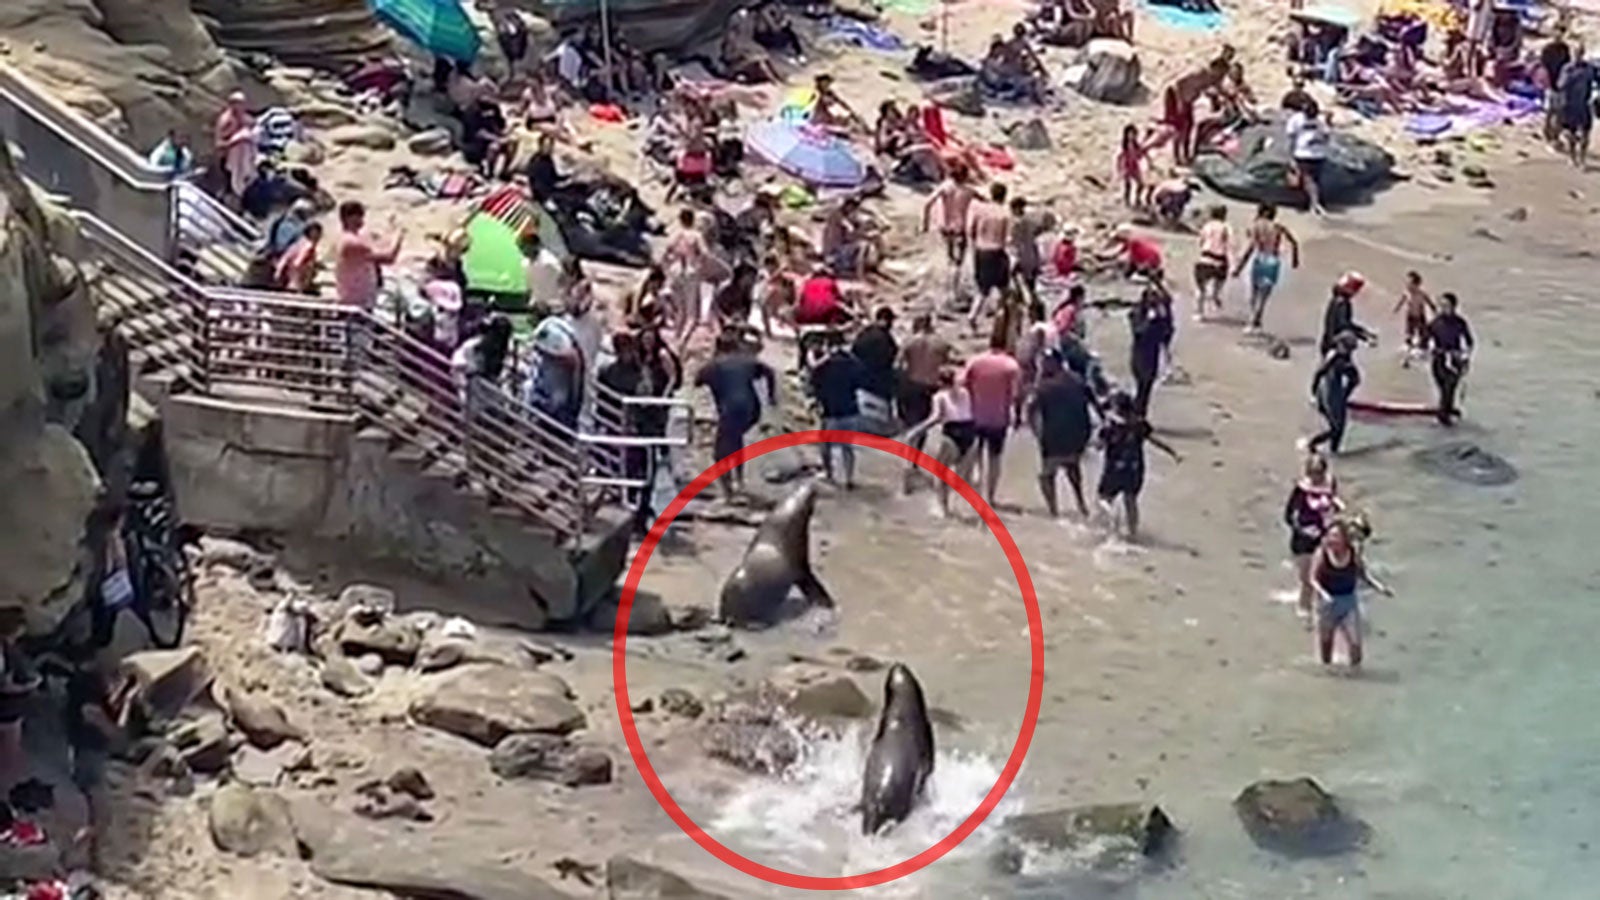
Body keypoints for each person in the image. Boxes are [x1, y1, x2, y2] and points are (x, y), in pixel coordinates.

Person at [696, 332, 777, 496]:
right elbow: (769, 372)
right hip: (752, 409)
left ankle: (729, 491)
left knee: (720, 452)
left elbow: (697, 380)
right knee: (735, 440)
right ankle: (738, 481)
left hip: (730, 409)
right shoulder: (746, 360)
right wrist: (771, 396)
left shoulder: (714, 365)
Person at [1095, 389, 1181, 541]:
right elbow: (1155, 440)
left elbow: (1099, 446)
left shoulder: (1110, 426)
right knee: (1131, 501)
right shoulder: (1140, 424)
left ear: (1116, 407)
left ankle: (1112, 517)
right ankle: (1132, 533)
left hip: (1114, 469)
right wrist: (1173, 452)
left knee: (1103, 499)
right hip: (1135, 469)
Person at [1311, 518, 1392, 668]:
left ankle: (1355, 675)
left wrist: (1380, 587)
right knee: (1326, 644)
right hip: (1326, 604)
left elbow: (1363, 575)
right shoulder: (1322, 553)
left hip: (1348, 601)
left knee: (1355, 644)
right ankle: (1328, 675)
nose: (1332, 539)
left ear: (1345, 539)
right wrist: (1323, 594)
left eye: (1336, 536)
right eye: (1330, 535)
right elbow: (1313, 579)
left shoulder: (1353, 553)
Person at [898, 367, 978, 517]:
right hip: (970, 431)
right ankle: (972, 508)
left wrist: (916, 430)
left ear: (940, 382)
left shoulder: (939, 396)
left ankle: (943, 509)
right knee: (962, 476)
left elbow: (935, 418)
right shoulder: (965, 393)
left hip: (952, 432)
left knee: (940, 473)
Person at [1029, 351, 1097, 518]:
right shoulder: (1077, 380)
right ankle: (1081, 505)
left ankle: (1053, 511)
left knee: (1046, 475)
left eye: (1045, 362)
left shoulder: (1044, 387)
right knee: (1073, 468)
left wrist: (1037, 434)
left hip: (1054, 437)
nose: (1042, 365)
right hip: (1078, 434)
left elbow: (1031, 410)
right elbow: (1094, 403)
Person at [962, 331, 1022, 506]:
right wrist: (1017, 415)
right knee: (994, 458)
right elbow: (1016, 394)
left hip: (975, 415)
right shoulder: (1011, 366)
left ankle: (976, 487)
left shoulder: (975, 361)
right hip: (999, 418)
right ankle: (990, 497)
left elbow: (963, 385)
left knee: (976, 453)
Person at [1283, 452, 1343, 624]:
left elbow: (1332, 500)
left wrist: (1338, 507)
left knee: (1323, 577)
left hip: (1323, 536)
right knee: (1308, 579)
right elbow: (1288, 516)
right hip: (1302, 539)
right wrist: (1303, 530)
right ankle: (1304, 611)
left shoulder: (1330, 483)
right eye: (1313, 474)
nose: (1317, 478)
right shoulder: (1301, 489)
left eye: (1319, 474)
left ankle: (1321, 611)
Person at [894, 314, 951, 471]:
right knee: (925, 423)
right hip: (932, 387)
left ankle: (909, 457)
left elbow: (898, 365)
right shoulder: (941, 343)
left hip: (912, 384)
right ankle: (916, 457)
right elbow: (946, 368)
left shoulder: (909, 342)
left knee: (912, 421)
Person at [1231, 203, 1300, 333]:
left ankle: (1252, 321)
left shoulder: (1256, 226)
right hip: (1273, 261)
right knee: (1264, 295)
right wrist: (1295, 259)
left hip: (1259, 258)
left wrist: (1239, 267)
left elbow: (1250, 247)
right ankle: (1258, 320)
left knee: (1253, 292)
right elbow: (1294, 242)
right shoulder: (1278, 227)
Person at [810, 338, 868, 488]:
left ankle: (829, 474)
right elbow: (862, 380)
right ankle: (849, 478)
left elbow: (813, 381)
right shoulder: (853, 364)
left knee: (825, 445)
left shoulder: (823, 366)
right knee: (847, 447)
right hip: (850, 409)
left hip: (830, 411)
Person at [525, 298, 587, 427]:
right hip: (551, 386)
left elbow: (571, 357)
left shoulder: (550, 330)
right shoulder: (556, 327)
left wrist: (547, 352)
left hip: (556, 391)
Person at [333, 201, 403, 310]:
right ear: (348, 218)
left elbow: (378, 248)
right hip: (355, 302)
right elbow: (389, 257)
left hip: (360, 300)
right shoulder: (350, 242)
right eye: (358, 216)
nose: (362, 219)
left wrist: (391, 229)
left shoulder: (351, 238)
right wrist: (399, 235)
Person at [968, 183, 1014, 334]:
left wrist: (975, 244)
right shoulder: (1005, 214)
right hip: (997, 251)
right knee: (1004, 289)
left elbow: (971, 229)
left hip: (981, 251)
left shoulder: (981, 210)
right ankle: (1000, 320)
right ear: (1004, 196)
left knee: (982, 289)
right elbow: (1008, 238)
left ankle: (973, 315)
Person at [663, 208, 712, 345]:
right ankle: (683, 340)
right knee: (691, 312)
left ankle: (676, 337)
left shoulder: (675, 235)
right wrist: (700, 266)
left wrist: (668, 270)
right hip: (690, 271)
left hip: (675, 271)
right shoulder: (696, 236)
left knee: (680, 310)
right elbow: (705, 254)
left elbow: (666, 254)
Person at [1307, 331, 1361, 455]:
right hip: (1328, 392)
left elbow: (1355, 380)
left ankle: (1334, 452)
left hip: (1335, 392)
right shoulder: (1335, 357)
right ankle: (1313, 443)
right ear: (1340, 344)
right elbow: (1319, 373)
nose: (1349, 351)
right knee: (1336, 428)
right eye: (1348, 348)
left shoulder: (1343, 358)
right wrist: (1313, 395)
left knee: (1340, 427)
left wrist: (1345, 395)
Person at [923, 164, 977, 288]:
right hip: (960, 227)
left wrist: (925, 224)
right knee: (960, 260)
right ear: (965, 176)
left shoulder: (944, 187)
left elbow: (927, 204)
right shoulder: (969, 191)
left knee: (949, 254)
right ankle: (955, 283)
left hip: (945, 226)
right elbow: (986, 201)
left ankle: (947, 280)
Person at [1426, 292, 1475, 427]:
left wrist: (1465, 356)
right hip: (1439, 360)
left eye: (1446, 305)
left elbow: (1469, 342)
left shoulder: (1460, 323)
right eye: (1441, 305)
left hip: (1455, 360)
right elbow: (1425, 340)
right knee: (1443, 389)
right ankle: (1446, 413)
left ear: (1454, 306)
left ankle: (1444, 418)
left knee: (1449, 388)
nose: (1443, 308)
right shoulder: (1435, 323)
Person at [1127, 278, 1174, 417]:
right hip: (1140, 356)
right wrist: (1151, 320)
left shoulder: (1160, 317)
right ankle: (1137, 414)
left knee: (1145, 389)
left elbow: (1166, 333)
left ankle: (1139, 414)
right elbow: (1139, 332)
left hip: (1151, 356)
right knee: (1142, 387)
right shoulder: (1138, 313)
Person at [1286, 98, 1331, 215]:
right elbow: (1291, 137)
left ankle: (1315, 204)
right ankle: (1313, 203)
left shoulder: (1317, 120)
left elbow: (1326, 135)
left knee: (1310, 180)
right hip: (1307, 153)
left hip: (1312, 154)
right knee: (1310, 180)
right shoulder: (1298, 119)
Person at [1556, 44, 1597, 168]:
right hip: (1570, 105)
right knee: (1571, 134)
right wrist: (1570, 77)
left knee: (1586, 133)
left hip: (1584, 104)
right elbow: (1560, 85)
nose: (1578, 56)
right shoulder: (1567, 69)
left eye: (1580, 53)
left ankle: (1582, 158)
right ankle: (1572, 157)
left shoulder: (1589, 68)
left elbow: (1594, 82)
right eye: (1576, 53)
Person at [213, 91, 258, 202]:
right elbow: (219, 143)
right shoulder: (226, 121)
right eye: (239, 104)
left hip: (243, 159)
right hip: (228, 160)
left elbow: (253, 125)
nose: (243, 106)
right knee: (230, 188)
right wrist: (235, 141)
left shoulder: (243, 118)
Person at [851, 306, 899, 406]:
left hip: (862, 379)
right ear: (887, 321)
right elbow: (892, 355)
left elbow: (854, 351)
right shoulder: (885, 337)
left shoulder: (865, 333)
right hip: (880, 381)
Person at [1319, 271, 1374, 356]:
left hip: (1329, 343)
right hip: (1336, 346)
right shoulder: (1342, 303)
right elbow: (1344, 325)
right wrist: (1363, 336)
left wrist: (1363, 332)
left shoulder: (1336, 300)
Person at [1193, 205, 1231, 321]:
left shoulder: (1207, 226)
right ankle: (1215, 295)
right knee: (1219, 282)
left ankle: (1199, 312)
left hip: (1206, 257)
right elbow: (1228, 244)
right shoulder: (1226, 227)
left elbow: (1201, 241)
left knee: (1200, 288)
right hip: (1220, 259)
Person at [1392, 270, 1436, 367]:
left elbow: (1430, 303)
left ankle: (1424, 349)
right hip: (1410, 316)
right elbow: (1402, 301)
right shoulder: (1406, 293)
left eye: (1410, 283)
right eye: (1407, 283)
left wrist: (1435, 310)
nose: (1407, 285)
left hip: (1420, 316)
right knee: (1409, 333)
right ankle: (1409, 347)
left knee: (1423, 333)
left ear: (1417, 284)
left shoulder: (1422, 293)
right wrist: (1396, 309)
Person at [1009, 197, 1048, 305]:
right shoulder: (1031, 221)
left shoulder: (1014, 223)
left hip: (1020, 257)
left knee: (1015, 283)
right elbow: (1040, 229)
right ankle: (1034, 309)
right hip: (1032, 256)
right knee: (1031, 286)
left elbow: (1012, 241)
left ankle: (1024, 304)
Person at [274, 220, 323, 294]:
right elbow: (298, 263)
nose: (319, 236)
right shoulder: (309, 246)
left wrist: (279, 271)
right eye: (318, 233)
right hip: (298, 281)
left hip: (290, 280)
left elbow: (286, 257)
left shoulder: (299, 243)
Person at [1114, 124, 1151, 208]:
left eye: (1133, 134)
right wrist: (1120, 168)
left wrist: (1147, 159)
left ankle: (1137, 199)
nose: (1131, 136)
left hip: (1135, 167)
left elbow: (1141, 153)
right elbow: (1119, 157)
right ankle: (1127, 200)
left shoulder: (1136, 145)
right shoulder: (1124, 146)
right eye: (1130, 134)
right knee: (1128, 185)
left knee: (1141, 184)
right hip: (1127, 167)